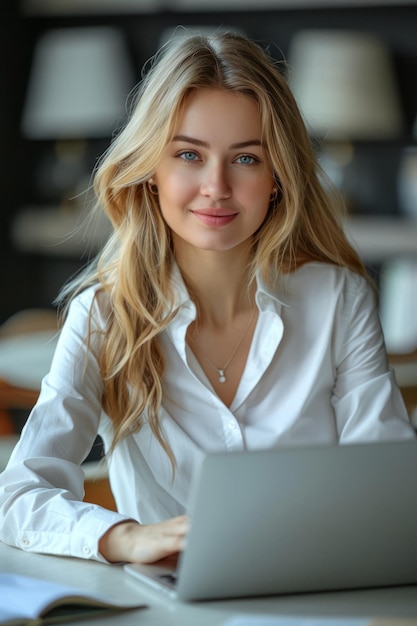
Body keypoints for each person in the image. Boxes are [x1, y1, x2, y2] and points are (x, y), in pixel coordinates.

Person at [0, 30, 415, 566]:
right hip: (169, 607)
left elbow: (388, 484)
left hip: (315, 591)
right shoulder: (104, 316)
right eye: (190, 155)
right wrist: (127, 537)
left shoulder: (339, 300)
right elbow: (16, 498)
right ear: (151, 171)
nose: (216, 186)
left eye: (245, 159)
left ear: (278, 177)